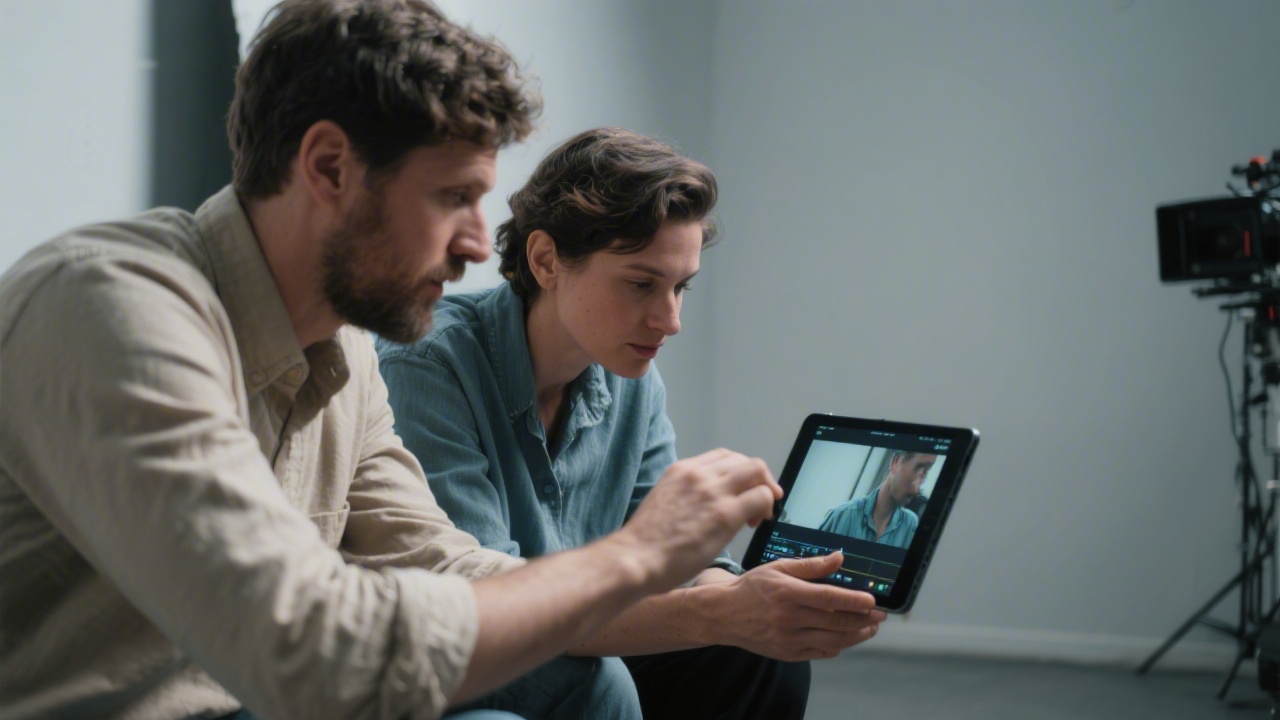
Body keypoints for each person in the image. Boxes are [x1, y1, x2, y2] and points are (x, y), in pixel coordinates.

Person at [0, 3, 784, 719]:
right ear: (329, 169)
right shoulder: (111, 308)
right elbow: (304, 647)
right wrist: (639, 555)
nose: (478, 243)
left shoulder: (344, 349)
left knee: (583, 689)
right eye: (454, 197)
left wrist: (693, 584)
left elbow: (439, 561)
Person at [376, 127, 887, 720]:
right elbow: (483, 606)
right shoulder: (429, 363)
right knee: (603, 675)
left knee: (760, 653)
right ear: (545, 260)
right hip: (465, 649)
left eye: (680, 287)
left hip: (575, 630)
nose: (670, 321)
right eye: (642, 284)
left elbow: (669, 551)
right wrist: (719, 612)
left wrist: (750, 598)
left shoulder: (631, 375)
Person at [819, 452, 938, 549]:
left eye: (925, 472)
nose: (915, 491)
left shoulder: (911, 525)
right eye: (918, 468)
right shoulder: (842, 515)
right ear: (895, 462)